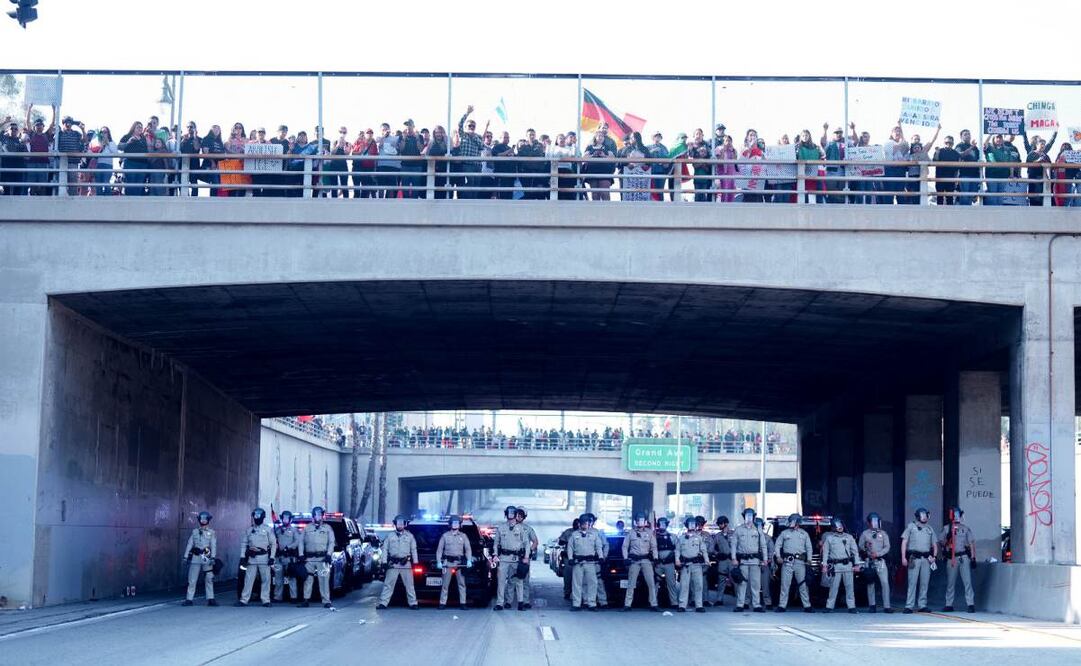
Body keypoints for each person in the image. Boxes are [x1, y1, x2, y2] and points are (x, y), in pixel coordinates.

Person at [900, 507, 938, 613]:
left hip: (926, 559)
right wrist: (903, 557)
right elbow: (904, 542)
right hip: (914, 558)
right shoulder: (911, 526)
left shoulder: (930, 528)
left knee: (924, 583)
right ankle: (909, 605)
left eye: (926, 514)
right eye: (923, 514)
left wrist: (934, 557)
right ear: (918, 516)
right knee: (912, 582)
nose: (925, 516)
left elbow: (935, 544)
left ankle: (922, 605)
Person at [492, 505, 530, 610]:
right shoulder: (501, 528)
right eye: (509, 513)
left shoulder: (521, 528)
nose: (511, 516)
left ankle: (520, 602)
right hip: (503, 558)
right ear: (506, 514)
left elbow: (527, 544)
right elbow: (496, 543)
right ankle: (500, 603)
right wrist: (495, 554)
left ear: (516, 515)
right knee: (501, 581)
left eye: (513, 514)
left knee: (518, 581)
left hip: (516, 559)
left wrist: (526, 557)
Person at [377, 514, 419, 609]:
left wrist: (415, 563)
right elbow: (385, 550)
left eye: (402, 523)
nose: (400, 525)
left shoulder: (410, 536)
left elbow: (413, 549)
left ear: (405, 524)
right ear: (395, 524)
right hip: (393, 564)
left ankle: (413, 603)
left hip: (406, 564)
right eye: (398, 523)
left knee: (409, 585)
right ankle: (383, 603)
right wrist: (383, 562)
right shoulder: (390, 536)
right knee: (388, 584)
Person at [237, 507, 276, 607]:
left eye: (259, 515)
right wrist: (242, 557)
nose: (257, 517)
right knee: (248, 580)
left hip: (264, 558)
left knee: (266, 580)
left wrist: (272, 557)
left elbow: (273, 544)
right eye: (255, 515)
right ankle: (244, 600)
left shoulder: (267, 529)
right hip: (252, 558)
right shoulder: (249, 530)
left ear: (263, 517)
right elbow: (244, 543)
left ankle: (266, 600)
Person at [774, 513, 813, 613]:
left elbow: (809, 548)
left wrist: (809, 559)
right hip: (787, 562)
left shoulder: (804, 534)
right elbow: (777, 545)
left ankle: (807, 605)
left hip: (800, 562)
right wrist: (778, 556)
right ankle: (782, 605)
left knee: (803, 584)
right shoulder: (784, 533)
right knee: (785, 584)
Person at [730, 508, 767, 612]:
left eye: (751, 516)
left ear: (754, 517)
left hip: (755, 561)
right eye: (747, 516)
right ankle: (740, 604)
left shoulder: (758, 530)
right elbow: (734, 545)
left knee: (756, 584)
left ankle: (756, 605)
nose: (749, 518)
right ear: (744, 517)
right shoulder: (739, 529)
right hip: (743, 561)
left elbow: (763, 545)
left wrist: (765, 559)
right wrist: (733, 558)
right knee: (742, 583)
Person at [821, 517, 860, 613]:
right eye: (837, 526)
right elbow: (826, 553)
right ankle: (829, 606)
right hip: (836, 565)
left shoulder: (849, 537)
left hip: (847, 565)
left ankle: (852, 607)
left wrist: (857, 564)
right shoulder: (829, 538)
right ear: (834, 527)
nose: (840, 528)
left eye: (841, 525)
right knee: (833, 587)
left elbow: (855, 552)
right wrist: (825, 566)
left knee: (849, 587)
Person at [941, 507, 976, 613]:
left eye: (959, 515)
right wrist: (947, 541)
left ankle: (970, 604)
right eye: (956, 515)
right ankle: (949, 604)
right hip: (952, 558)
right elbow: (941, 542)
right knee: (950, 583)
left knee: (967, 582)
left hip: (963, 557)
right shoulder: (947, 528)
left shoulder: (965, 528)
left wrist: (973, 558)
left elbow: (971, 543)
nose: (958, 517)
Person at [300, 506, 337, 608]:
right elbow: (301, 542)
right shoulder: (307, 528)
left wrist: (329, 554)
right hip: (309, 558)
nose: (318, 517)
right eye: (316, 515)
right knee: (308, 579)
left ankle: (326, 601)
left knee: (324, 579)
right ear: (313, 516)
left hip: (322, 558)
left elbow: (331, 542)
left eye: (320, 515)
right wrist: (301, 554)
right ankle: (306, 599)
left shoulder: (327, 528)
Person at [621, 512, 659, 611]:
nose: (640, 522)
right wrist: (625, 558)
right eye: (639, 520)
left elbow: (654, 547)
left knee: (651, 583)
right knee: (631, 583)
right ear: (635, 522)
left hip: (646, 560)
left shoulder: (649, 532)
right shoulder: (631, 533)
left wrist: (655, 558)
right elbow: (625, 546)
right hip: (634, 561)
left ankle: (654, 604)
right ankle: (627, 605)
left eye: (642, 520)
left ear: (645, 522)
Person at [567, 513, 604, 611]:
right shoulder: (574, 535)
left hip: (590, 563)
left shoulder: (594, 534)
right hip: (578, 562)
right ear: (579, 524)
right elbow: (570, 547)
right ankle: (576, 604)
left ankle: (592, 603)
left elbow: (598, 546)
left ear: (589, 524)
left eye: (586, 523)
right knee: (577, 584)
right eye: (582, 523)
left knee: (593, 583)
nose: (584, 525)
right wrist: (570, 558)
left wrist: (601, 557)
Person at [436, 514, 473, 610]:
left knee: (461, 584)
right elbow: (439, 550)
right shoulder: (445, 536)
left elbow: (468, 549)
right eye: (454, 523)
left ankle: (463, 603)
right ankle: (442, 603)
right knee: (445, 584)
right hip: (447, 563)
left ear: (460, 525)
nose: (455, 525)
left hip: (459, 563)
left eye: (457, 523)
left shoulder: (463, 536)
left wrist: (469, 560)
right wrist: (439, 561)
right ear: (450, 524)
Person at [182, 511, 218, 606]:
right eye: (201, 518)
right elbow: (190, 544)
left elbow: (213, 545)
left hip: (206, 556)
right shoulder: (195, 532)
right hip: (196, 557)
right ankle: (189, 599)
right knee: (192, 579)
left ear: (208, 520)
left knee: (209, 578)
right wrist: (185, 556)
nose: (203, 520)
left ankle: (211, 598)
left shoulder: (212, 532)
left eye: (205, 518)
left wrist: (213, 557)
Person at [858, 512, 892, 613]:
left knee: (885, 583)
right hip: (869, 561)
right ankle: (872, 605)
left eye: (876, 521)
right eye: (873, 521)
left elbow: (887, 547)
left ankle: (887, 606)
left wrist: (879, 554)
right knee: (870, 583)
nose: (875, 523)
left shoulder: (883, 533)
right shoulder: (865, 534)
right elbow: (860, 546)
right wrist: (866, 547)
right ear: (869, 523)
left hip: (880, 561)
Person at [675, 516, 709, 612]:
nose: (692, 526)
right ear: (687, 526)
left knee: (698, 585)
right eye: (690, 524)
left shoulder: (699, 538)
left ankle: (699, 605)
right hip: (685, 565)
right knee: (684, 585)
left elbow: (703, 550)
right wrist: (677, 560)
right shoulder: (681, 538)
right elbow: (677, 550)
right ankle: (682, 605)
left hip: (697, 565)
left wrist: (706, 560)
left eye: (693, 524)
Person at [901, 124, 940, 204]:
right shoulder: (908, 152)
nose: (917, 140)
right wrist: (899, 125)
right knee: (911, 197)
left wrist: (938, 129)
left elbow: (932, 141)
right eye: (915, 139)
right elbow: (903, 138)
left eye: (918, 139)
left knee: (922, 196)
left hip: (922, 176)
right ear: (911, 140)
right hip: (911, 177)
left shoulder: (923, 151)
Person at [24, 105, 55, 196]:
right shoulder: (32, 134)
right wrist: (29, 108)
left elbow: (52, 124)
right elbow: (27, 122)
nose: (39, 126)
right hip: (32, 162)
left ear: (43, 126)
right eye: (37, 125)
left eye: (40, 125)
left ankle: (42, 204)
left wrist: (53, 110)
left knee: (43, 185)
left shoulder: (47, 135)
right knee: (32, 185)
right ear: (35, 126)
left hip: (44, 163)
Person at [1022, 127, 1057, 206]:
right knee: (1035, 200)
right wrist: (1039, 161)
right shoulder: (1031, 154)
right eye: (1041, 144)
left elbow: (1051, 142)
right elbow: (1029, 164)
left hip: (1046, 180)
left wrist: (1055, 131)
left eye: (1044, 144)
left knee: (1047, 199)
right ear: (1037, 145)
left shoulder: (1046, 155)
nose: (1043, 146)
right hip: (1035, 180)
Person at [983, 134, 1021, 206]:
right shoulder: (990, 148)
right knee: (992, 196)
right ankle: (991, 215)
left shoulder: (1007, 149)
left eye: (1000, 137)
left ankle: (998, 214)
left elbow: (1011, 162)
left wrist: (1011, 174)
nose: (999, 139)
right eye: (997, 137)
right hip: (992, 175)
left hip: (1003, 175)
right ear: (993, 139)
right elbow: (984, 144)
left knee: (1001, 196)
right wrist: (990, 134)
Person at [273, 511, 301, 602]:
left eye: (287, 518)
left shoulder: (294, 530)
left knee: (292, 578)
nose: (285, 519)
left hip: (289, 558)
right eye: (283, 518)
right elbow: (273, 541)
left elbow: (297, 542)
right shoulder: (277, 530)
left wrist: (288, 547)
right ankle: (278, 597)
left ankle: (293, 597)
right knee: (278, 579)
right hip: (279, 558)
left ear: (290, 519)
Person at [515, 507, 539, 609]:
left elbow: (535, 542)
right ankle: (507, 601)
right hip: (511, 557)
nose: (518, 516)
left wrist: (528, 553)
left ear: (524, 517)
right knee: (511, 581)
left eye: (521, 515)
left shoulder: (528, 529)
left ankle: (525, 601)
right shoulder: (509, 527)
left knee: (525, 579)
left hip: (524, 558)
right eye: (517, 514)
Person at [880, 120, 909, 204]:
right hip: (890, 170)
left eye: (899, 132)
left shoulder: (902, 144)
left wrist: (900, 125)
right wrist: (902, 141)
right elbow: (895, 148)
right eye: (896, 132)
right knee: (889, 194)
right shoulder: (888, 143)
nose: (898, 133)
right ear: (891, 133)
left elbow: (906, 146)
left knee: (901, 194)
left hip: (900, 171)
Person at [56, 116, 86, 195]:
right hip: (62, 162)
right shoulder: (59, 134)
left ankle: (72, 202)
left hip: (73, 162)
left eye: (70, 122)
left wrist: (83, 129)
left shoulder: (76, 133)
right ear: (63, 123)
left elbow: (85, 140)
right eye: (66, 122)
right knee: (62, 184)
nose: (68, 124)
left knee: (73, 185)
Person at [654, 516, 680, 607]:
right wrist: (655, 559)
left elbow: (677, 549)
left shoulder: (672, 536)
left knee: (671, 583)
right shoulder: (654, 537)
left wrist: (676, 559)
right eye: (660, 524)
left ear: (667, 525)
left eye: (664, 524)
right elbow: (651, 548)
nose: (662, 526)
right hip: (658, 563)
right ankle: (653, 603)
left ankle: (674, 603)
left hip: (669, 563)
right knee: (655, 583)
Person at [118, 120, 149, 196]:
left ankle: (136, 203)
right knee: (130, 184)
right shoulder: (127, 136)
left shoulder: (143, 138)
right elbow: (119, 147)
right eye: (138, 127)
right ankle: (129, 202)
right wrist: (128, 142)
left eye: (141, 127)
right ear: (133, 128)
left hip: (142, 164)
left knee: (139, 185)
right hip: (130, 163)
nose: (140, 129)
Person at [819, 123, 848, 203]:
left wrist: (853, 129)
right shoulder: (829, 143)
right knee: (832, 196)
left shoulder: (846, 144)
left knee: (842, 197)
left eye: (840, 132)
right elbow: (823, 141)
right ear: (833, 134)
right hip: (831, 174)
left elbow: (856, 143)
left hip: (843, 174)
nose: (839, 134)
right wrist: (825, 130)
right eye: (836, 132)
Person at [582, 131, 615, 201]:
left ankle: (607, 210)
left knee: (605, 193)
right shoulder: (590, 147)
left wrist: (604, 156)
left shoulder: (607, 147)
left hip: (605, 172)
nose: (600, 137)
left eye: (602, 136)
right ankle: (595, 211)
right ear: (595, 137)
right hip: (592, 171)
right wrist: (593, 155)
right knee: (595, 194)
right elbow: (584, 158)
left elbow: (613, 159)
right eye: (598, 136)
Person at [795, 130, 824, 203]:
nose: (805, 137)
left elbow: (821, 155)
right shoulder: (797, 147)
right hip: (801, 172)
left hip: (813, 172)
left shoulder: (815, 146)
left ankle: (818, 209)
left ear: (809, 136)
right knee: (803, 194)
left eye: (806, 135)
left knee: (818, 191)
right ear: (801, 137)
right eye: (803, 136)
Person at [709, 515, 732, 605]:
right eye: (719, 524)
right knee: (721, 579)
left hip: (732, 560)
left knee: (735, 579)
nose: (719, 525)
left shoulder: (734, 534)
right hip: (723, 560)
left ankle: (741, 601)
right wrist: (717, 553)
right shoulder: (718, 536)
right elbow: (711, 549)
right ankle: (719, 599)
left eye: (721, 523)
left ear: (725, 523)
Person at [398, 119, 424, 198]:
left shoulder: (419, 136)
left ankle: (415, 205)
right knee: (405, 188)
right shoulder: (401, 137)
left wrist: (417, 138)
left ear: (413, 126)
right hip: (405, 165)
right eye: (406, 125)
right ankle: (406, 205)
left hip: (417, 166)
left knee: (416, 188)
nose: (408, 127)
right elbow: (401, 149)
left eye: (409, 125)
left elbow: (421, 149)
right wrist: (404, 138)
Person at [933, 135, 962, 205]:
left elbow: (957, 169)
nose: (948, 144)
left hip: (951, 179)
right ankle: (938, 214)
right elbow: (934, 161)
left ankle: (950, 215)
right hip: (939, 178)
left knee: (950, 198)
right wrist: (937, 152)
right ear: (944, 142)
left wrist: (956, 180)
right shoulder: (939, 151)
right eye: (947, 142)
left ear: (953, 144)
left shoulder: (956, 153)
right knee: (939, 198)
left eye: (950, 143)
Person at [350, 128, 379, 198]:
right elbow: (352, 153)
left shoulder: (374, 143)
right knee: (356, 190)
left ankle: (364, 207)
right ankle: (355, 207)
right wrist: (360, 151)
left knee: (365, 191)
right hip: (358, 168)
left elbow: (376, 156)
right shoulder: (358, 142)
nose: (369, 134)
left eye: (371, 133)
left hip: (368, 169)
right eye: (368, 133)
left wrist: (375, 170)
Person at [375, 123, 401, 199]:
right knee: (381, 188)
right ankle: (380, 204)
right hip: (381, 166)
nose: (385, 131)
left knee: (391, 188)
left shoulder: (395, 138)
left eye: (386, 129)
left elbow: (400, 147)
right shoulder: (379, 138)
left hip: (392, 166)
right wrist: (383, 136)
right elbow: (378, 144)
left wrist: (396, 145)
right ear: (381, 131)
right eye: (383, 129)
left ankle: (390, 205)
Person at [955, 130, 981, 205]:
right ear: (961, 137)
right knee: (964, 196)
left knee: (971, 196)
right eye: (965, 134)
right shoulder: (959, 146)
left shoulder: (975, 148)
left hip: (975, 175)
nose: (968, 136)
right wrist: (971, 147)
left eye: (969, 134)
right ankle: (963, 214)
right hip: (964, 174)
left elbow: (978, 160)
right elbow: (960, 155)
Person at [754, 517, 774, 608]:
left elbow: (771, 551)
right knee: (752, 584)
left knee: (765, 584)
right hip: (753, 562)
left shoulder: (767, 538)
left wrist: (768, 560)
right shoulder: (750, 537)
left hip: (764, 563)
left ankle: (767, 602)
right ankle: (748, 602)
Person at [687, 128, 712, 202]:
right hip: (697, 171)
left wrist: (704, 161)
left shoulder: (706, 144)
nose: (698, 135)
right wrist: (690, 147)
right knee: (697, 193)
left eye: (700, 134)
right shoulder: (692, 145)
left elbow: (710, 155)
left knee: (705, 193)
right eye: (697, 134)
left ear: (702, 135)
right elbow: (690, 155)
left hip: (706, 171)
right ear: (694, 136)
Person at [559, 517, 580, 600]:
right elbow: (560, 542)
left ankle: (577, 595)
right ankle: (567, 592)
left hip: (579, 558)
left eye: (577, 524)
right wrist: (568, 541)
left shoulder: (583, 533)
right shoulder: (568, 532)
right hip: (568, 558)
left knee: (578, 579)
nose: (576, 525)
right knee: (568, 577)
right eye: (575, 524)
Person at [714, 134, 739, 203]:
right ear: (723, 141)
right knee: (722, 192)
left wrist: (733, 151)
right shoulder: (719, 148)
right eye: (726, 140)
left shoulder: (733, 150)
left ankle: (730, 207)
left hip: (731, 175)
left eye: (730, 141)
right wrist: (724, 150)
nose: (728, 142)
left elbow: (735, 161)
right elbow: (719, 161)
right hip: (722, 174)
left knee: (731, 193)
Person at [646, 131, 669, 201]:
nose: (658, 137)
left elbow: (668, 159)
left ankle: (661, 208)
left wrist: (665, 164)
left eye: (659, 136)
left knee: (660, 191)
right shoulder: (647, 147)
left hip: (661, 172)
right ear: (652, 137)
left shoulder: (664, 148)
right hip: (650, 172)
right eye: (656, 136)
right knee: (650, 191)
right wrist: (652, 151)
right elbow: (644, 157)